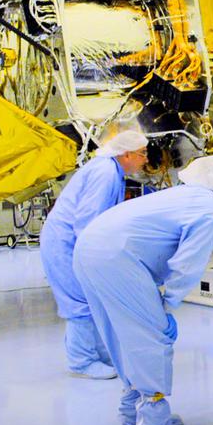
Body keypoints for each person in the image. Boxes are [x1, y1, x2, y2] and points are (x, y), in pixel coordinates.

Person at [72, 154, 213, 425]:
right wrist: (169, 302)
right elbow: (189, 262)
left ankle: (131, 413)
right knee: (151, 336)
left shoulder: (180, 195)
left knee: (119, 334)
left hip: (88, 249)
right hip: (117, 257)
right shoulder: (210, 207)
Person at [39, 130, 148, 379]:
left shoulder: (110, 170)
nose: (146, 159)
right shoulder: (105, 173)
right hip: (67, 244)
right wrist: (97, 258)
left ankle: (99, 353)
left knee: (93, 298)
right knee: (81, 302)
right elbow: (86, 221)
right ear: (127, 154)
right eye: (142, 154)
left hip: (71, 241)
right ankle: (82, 360)